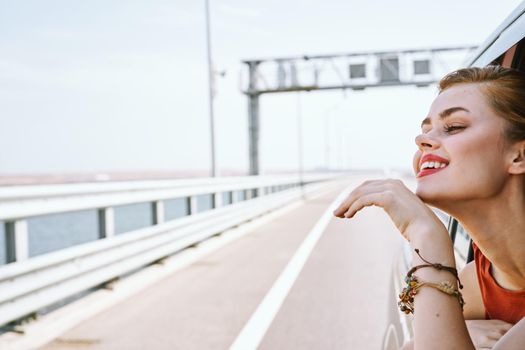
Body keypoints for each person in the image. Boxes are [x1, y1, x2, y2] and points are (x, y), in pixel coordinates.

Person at [333, 65, 525, 349]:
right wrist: (464, 333)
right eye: (426, 130)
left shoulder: (470, 287)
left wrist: (427, 236)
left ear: (519, 155)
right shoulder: (480, 283)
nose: (421, 141)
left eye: (454, 127)